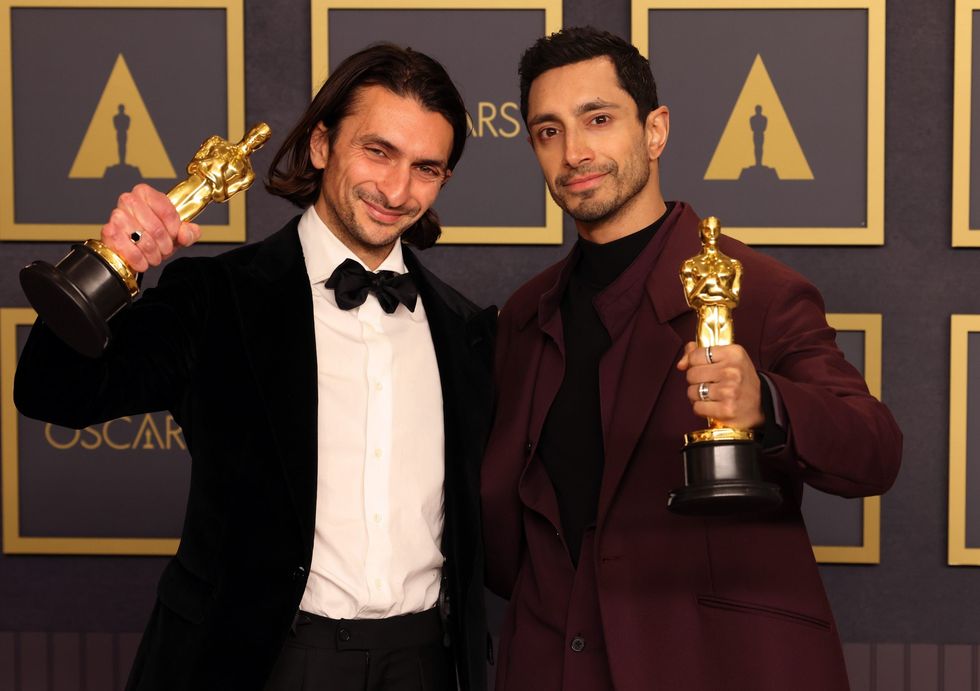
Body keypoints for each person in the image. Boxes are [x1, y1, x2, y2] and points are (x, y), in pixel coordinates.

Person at [16, 44, 494, 691]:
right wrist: (111, 263)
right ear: (321, 144)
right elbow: (52, 392)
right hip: (258, 661)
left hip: (422, 664)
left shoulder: (464, 329)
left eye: (425, 168)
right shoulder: (219, 297)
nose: (396, 189)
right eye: (377, 151)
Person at [480, 27, 901, 691]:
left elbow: (875, 450)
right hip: (548, 665)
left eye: (598, 119)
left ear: (655, 131)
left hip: (712, 665)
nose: (574, 152)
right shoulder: (525, 315)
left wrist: (768, 402)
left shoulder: (757, 291)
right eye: (548, 131)